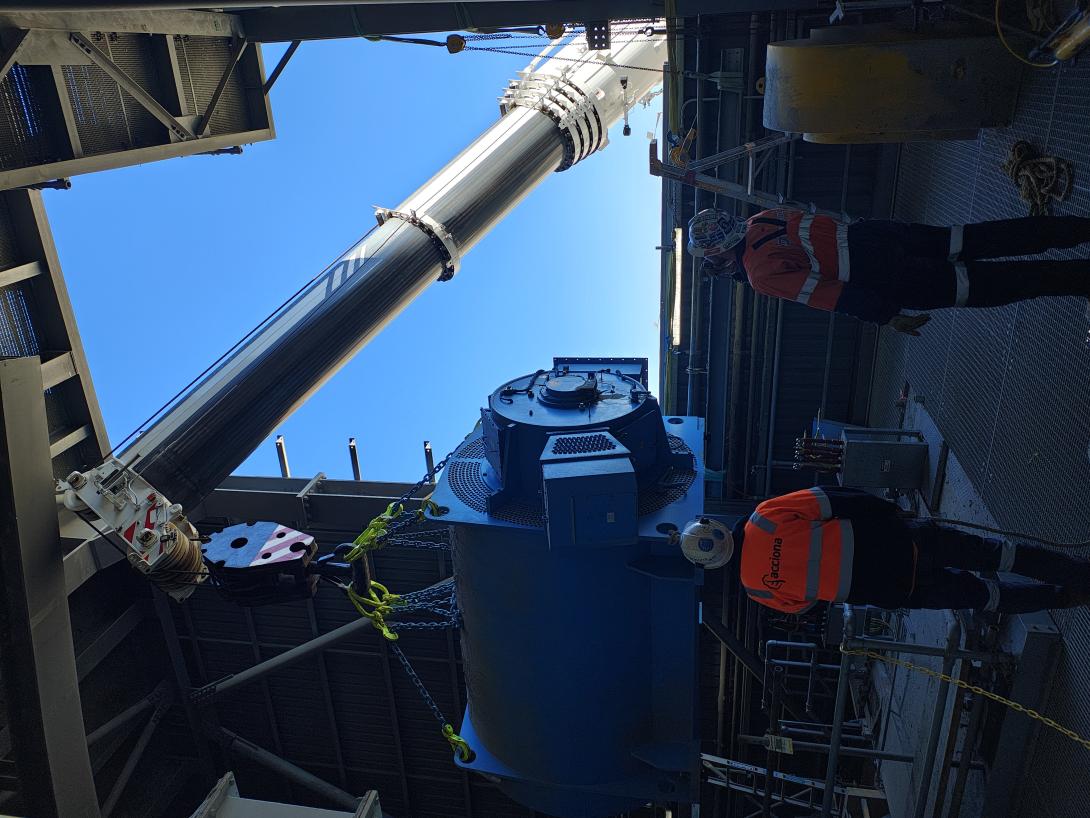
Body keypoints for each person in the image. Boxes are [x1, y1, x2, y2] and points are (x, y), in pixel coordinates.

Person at [687, 208, 1090, 335]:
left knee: (988, 284)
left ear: (722, 251)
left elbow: (830, 295)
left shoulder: (760, 273)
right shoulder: (764, 217)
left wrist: (888, 316)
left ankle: (1081, 278)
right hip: (882, 235)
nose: (717, 266)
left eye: (713, 259)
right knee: (978, 239)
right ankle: (1075, 229)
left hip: (885, 276)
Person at [707, 486, 1090, 614]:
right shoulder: (763, 517)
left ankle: (1065, 597)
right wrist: (890, 509)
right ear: (720, 529)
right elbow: (839, 500)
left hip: (893, 590)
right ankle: (1077, 573)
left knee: (982, 597)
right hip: (902, 543)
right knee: (995, 555)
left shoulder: (756, 590)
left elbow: (805, 605)